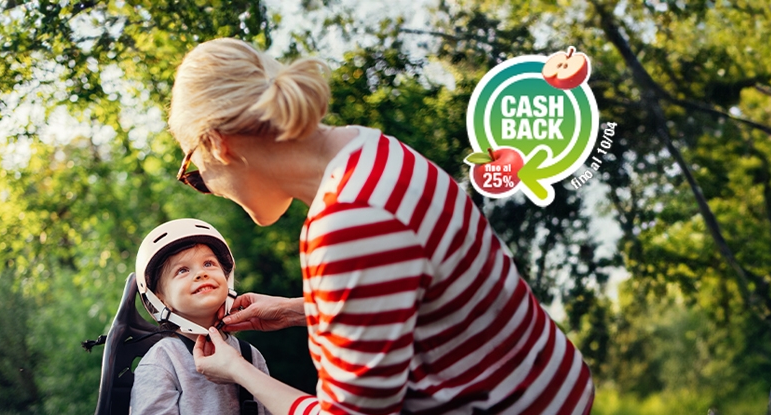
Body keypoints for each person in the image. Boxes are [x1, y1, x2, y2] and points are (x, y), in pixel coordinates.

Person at [168, 37, 595, 414]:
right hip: (547, 385)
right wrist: (301, 310)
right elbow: (431, 294)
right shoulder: (368, 149)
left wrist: (240, 371)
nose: (206, 187)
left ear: (218, 145)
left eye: (194, 172)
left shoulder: (347, 222)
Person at [130, 218, 270, 415]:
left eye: (208, 263)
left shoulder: (250, 355)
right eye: (182, 270)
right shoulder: (161, 362)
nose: (201, 273)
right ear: (161, 299)